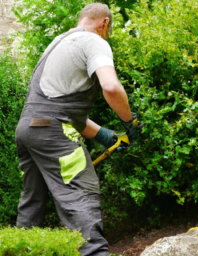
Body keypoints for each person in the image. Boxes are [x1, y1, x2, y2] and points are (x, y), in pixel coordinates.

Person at [15, 3, 141, 256]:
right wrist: (131, 121)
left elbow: (59, 110)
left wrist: (105, 135)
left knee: (33, 201)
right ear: (103, 23)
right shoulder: (93, 41)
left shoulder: (59, 42)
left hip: (28, 131)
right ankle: (95, 253)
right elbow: (112, 88)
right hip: (51, 133)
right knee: (80, 192)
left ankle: (19, 250)